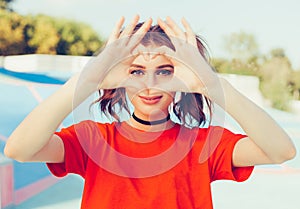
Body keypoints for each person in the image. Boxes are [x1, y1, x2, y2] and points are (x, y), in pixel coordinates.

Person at [4, 15, 296, 209]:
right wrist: (85, 82)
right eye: (137, 71)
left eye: (165, 71)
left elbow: (280, 151)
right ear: (119, 77)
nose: (150, 84)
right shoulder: (93, 139)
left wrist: (212, 84)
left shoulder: (202, 144)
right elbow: (20, 150)